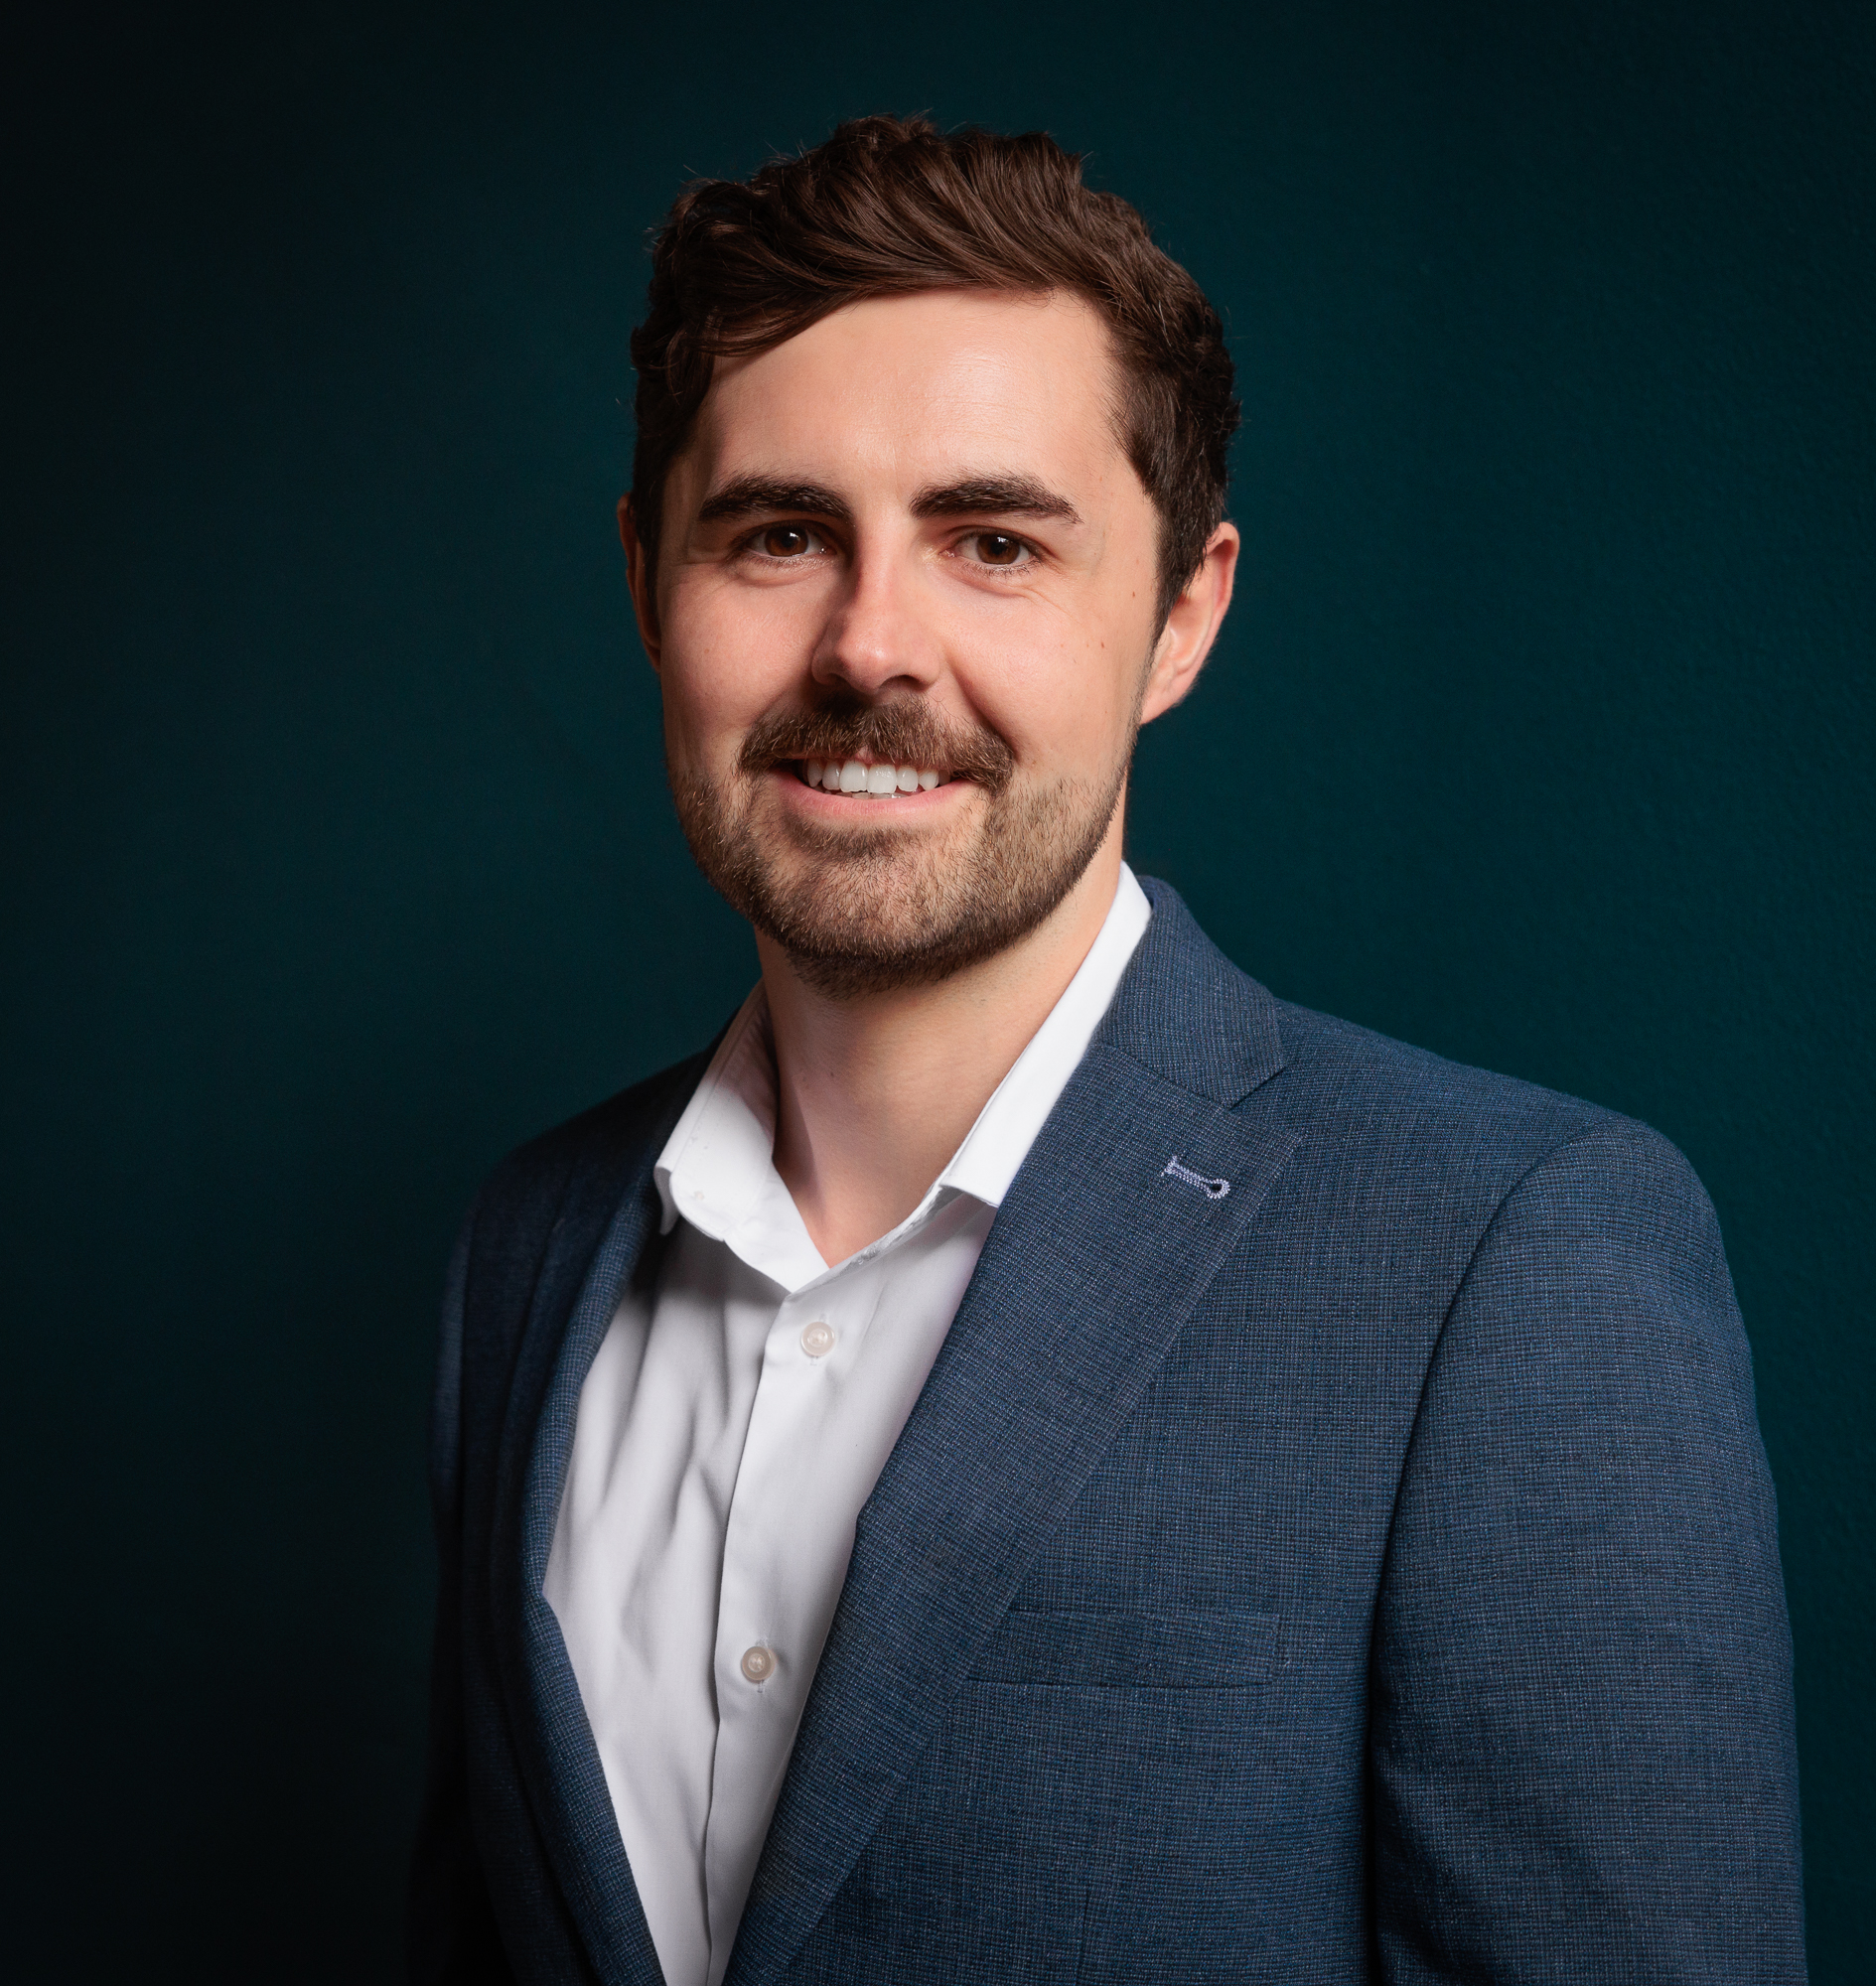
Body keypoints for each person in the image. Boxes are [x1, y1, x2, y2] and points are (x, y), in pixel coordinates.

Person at [408, 115, 1804, 1986]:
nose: (869, 644)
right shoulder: (530, 1251)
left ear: (1183, 613)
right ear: (650, 582)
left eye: (993, 542)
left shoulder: (1513, 1259)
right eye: (776, 534)